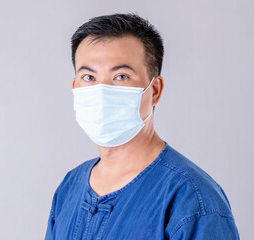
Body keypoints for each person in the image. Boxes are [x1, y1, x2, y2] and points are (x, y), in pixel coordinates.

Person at [45, 13, 240, 239]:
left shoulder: (191, 199)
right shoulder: (70, 188)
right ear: (75, 87)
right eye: (89, 77)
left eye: (121, 76)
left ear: (154, 90)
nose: (102, 92)